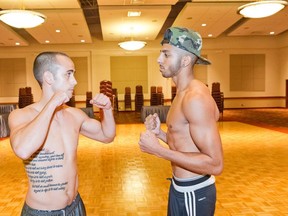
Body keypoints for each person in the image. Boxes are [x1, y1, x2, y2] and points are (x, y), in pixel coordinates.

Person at [8, 51, 116, 216]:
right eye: (68, 74)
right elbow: (23, 149)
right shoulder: (21, 115)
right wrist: (51, 105)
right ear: (49, 78)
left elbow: (107, 136)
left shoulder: (74, 115)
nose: (75, 81)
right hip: (42, 212)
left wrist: (107, 110)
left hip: (75, 206)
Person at [138, 27, 223, 216]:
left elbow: (216, 164)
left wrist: (159, 151)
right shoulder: (182, 93)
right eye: (161, 53)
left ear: (185, 60)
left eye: (166, 54)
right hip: (180, 187)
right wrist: (159, 133)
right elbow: (185, 143)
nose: (159, 60)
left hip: (194, 192)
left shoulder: (195, 98)